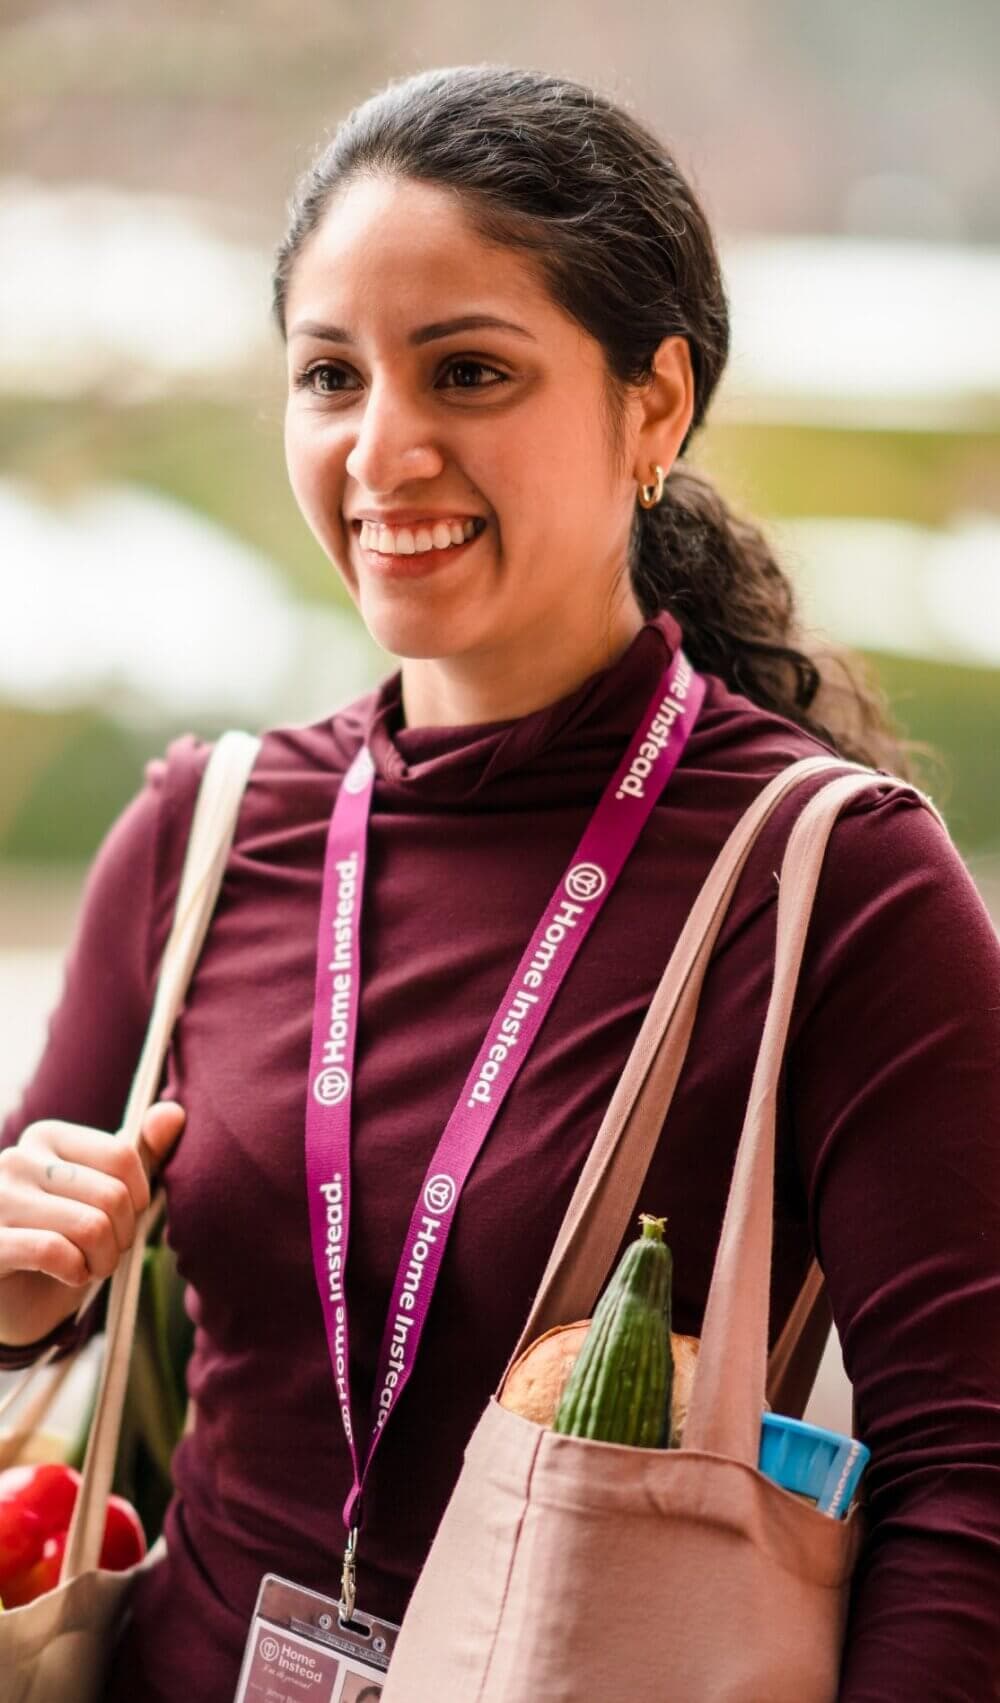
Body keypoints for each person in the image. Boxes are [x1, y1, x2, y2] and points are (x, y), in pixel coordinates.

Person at [1, 65, 997, 1702]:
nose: (385, 450)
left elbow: (969, 1478)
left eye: (468, 371)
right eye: (331, 375)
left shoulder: (836, 884)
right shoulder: (205, 830)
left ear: (654, 406)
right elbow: (34, 1306)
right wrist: (21, 1284)